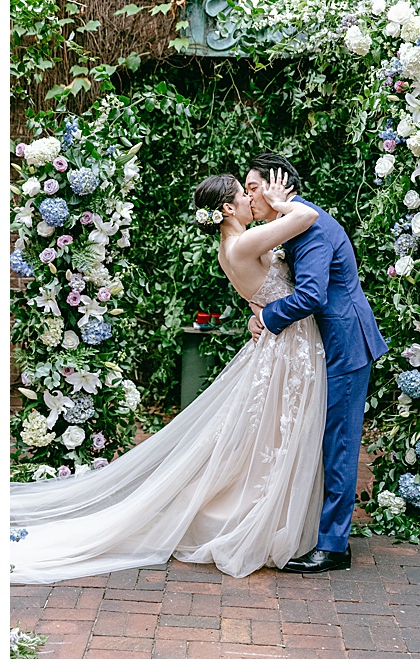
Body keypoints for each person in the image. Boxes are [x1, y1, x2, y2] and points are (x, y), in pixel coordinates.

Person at [11, 170, 327, 583]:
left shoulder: (231, 246)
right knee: (274, 436)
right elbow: (304, 219)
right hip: (289, 350)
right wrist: (282, 198)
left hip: (282, 345)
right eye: (245, 194)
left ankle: (262, 513)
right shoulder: (244, 241)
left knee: (266, 438)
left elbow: (259, 297)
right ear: (228, 208)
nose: (256, 199)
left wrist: (259, 317)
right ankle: (255, 520)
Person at [244, 153, 388, 574]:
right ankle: (320, 531)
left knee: (338, 443)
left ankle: (333, 546)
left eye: (255, 188)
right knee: (324, 437)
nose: (251, 199)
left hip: (346, 343)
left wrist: (266, 319)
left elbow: (311, 295)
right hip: (329, 343)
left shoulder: (312, 229)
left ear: (277, 186)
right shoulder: (296, 227)